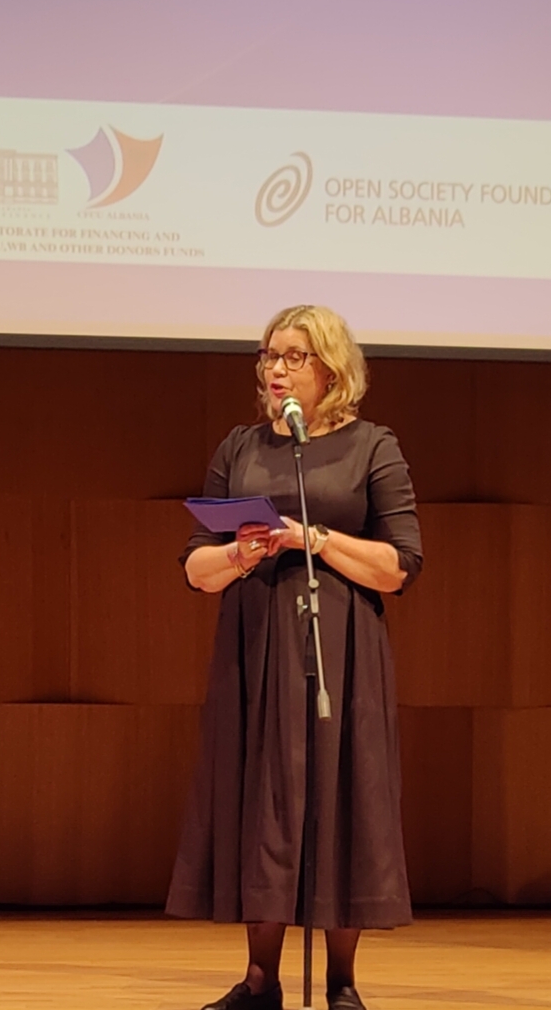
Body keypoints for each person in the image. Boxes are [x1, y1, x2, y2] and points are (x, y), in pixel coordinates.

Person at [166, 305, 423, 1010]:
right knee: (263, 802)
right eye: (269, 356)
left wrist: (314, 538)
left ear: (330, 370)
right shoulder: (240, 446)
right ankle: (260, 979)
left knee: (345, 796)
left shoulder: (372, 446)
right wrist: (241, 553)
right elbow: (195, 568)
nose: (276, 370)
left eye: (293, 357)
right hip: (255, 648)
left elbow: (400, 565)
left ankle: (341, 982)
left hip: (342, 648)